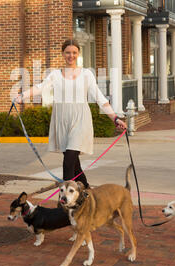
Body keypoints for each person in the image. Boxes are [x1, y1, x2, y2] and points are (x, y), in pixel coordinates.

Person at [15, 39, 126, 189]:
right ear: (62, 54)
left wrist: (115, 118)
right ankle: (86, 191)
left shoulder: (86, 74)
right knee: (74, 164)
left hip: (80, 119)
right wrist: (23, 96)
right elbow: (41, 87)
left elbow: (100, 98)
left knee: (69, 160)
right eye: (68, 52)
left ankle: (65, 200)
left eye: (74, 52)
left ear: (78, 54)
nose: (71, 55)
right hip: (61, 120)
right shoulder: (55, 74)